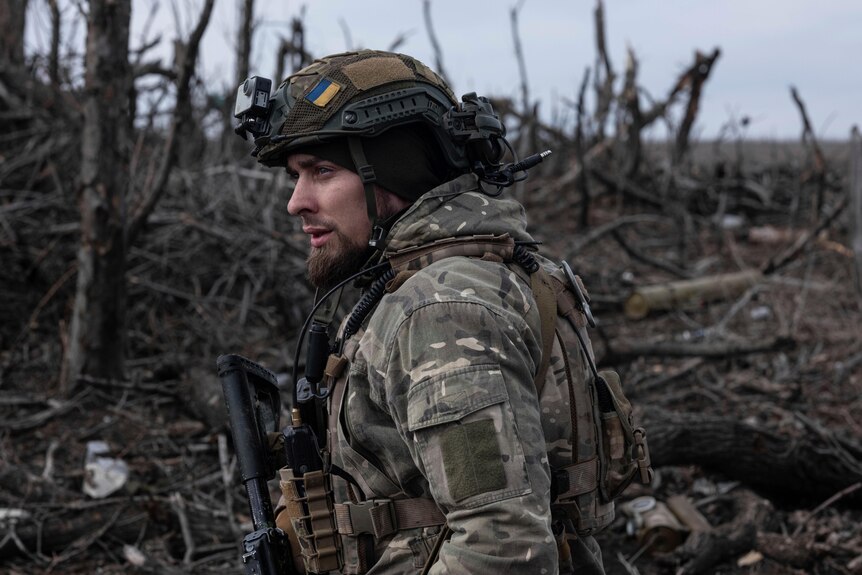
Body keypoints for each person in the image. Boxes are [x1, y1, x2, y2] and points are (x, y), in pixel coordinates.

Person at [239, 49, 607, 574]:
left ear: (396, 173)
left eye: (322, 170)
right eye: (297, 176)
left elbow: (502, 548)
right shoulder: (477, 272)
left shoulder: (441, 311)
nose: (297, 201)